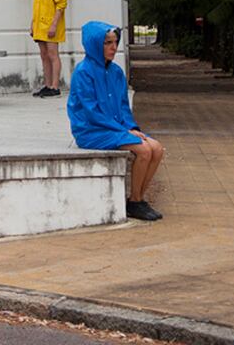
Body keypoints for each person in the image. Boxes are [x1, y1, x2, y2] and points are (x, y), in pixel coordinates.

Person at [67, 21, 165, 221]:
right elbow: (91, 112)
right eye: (107, 43)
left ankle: (136, 199)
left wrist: (131, 128)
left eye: (115, 42)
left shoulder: (116, 72)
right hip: (91, 131)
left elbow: (122, 107)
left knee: (157, 148)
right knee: (144, 150)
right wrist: (124, 131)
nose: (113, 47)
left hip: (115, 128)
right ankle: (135, 202)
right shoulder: (83, 72)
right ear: (95, 44)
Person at [30, 0, 68, 98]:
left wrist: (54, 25)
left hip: (52, 25)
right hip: (40, 25)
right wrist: (32, 24)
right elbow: (37, 6)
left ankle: (55, 86)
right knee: (44, 55)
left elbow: (61, 5)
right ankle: (47, 85)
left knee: (53, 55)